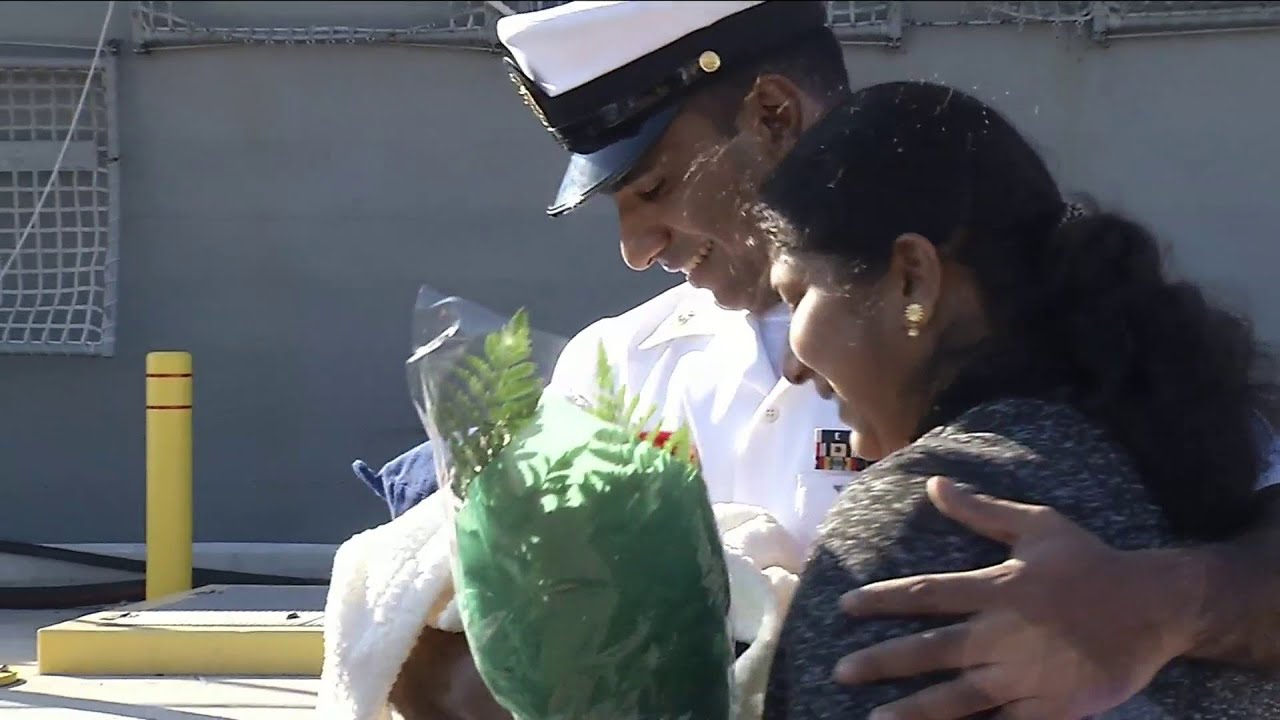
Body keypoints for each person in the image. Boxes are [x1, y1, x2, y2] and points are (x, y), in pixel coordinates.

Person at [357, 2, 1280, 718]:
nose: (636, 248)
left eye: (655, 187)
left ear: (771, 114)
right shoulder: (617, 369)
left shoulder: (1084, 352)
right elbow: (452, 609)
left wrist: (1167, 604)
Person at [756, 79, 1280, 719]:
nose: (791, 368)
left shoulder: (919, 527)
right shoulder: (1209, 461)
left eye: (796, 297)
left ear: (913, 279)